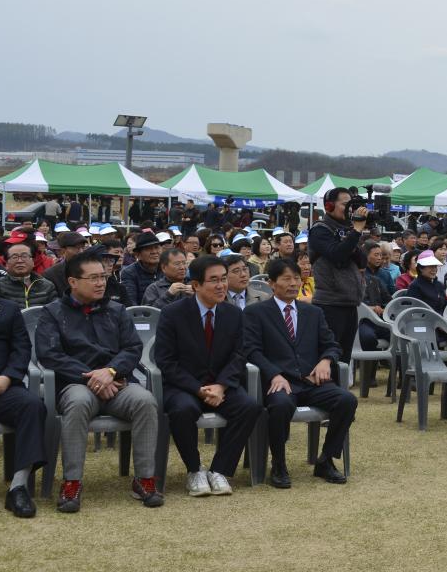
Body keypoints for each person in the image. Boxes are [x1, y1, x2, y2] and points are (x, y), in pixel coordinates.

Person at [35, 249, 162, 512]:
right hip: (75, 385)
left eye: (103, 277)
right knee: (79, 403)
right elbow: (50, 355)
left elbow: (132, 348)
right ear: (73, 282)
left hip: (117, 384)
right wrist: (94, 377)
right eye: (93, 278)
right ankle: (71, 482)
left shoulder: (117, 310)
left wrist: (111, 372)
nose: (101, 283)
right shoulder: (52, 312)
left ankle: (144, 479)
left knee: (145, 401)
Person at [243, 258, 358, 488]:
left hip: (312, 381)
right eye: (286, 279)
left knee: (346, 400)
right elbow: (251, 351)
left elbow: (332, 344)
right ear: (272, 283)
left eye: (296, 278)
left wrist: (326, 360)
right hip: (280, 381)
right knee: (280, 405)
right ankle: (279, 464)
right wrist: (274, 374)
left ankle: (325, 460)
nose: (293, 283)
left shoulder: (313, 312)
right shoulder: (256, 312)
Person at [154, 255, 262, 496]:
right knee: (183, 410)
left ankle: (219, 470)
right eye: (213, 280)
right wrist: (197, 389)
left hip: (221, 385)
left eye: (223, 279)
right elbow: (165, 361)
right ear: (196, 285)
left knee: (248, 406)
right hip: (184, 386)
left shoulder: (233, 314)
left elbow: (239, 355)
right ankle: (194, 469)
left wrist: (222, 386)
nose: (221, 285)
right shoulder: (173, 314)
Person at [0, 246, 46, 517]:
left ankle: (18, 488)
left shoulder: (9, 309)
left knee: (32, 406)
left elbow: (21, 350)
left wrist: (8, 377)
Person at [309, 187, 367, 364]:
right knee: (329, 357)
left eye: (352, 204)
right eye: (345, 204)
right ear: (329, 205)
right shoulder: (320, 230)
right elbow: (337, 255)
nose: (350, 209)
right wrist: (355, 231)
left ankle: (341, 391)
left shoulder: (347, 230)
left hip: (349, 302)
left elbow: (362, 261)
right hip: (330, 303)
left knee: (344, 359)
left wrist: (354, 232)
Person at [0, 239, 58, 308]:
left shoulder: (47, 286)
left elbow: (55, 312)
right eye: (14, 257)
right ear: (6, 264)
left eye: (24, 256)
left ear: (33, 261)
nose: (20, 261)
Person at [120, 231, 162, 310]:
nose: (154, 252)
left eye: (157, 247)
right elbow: (131, 304)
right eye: (148, 249)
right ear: (138, 254)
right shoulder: (129, 272)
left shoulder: (167, 268)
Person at [41, 231, 89, 298]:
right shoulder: (51, 274)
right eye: (76, 248)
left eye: (83, 248)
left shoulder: (90, 270)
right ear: (63, 250)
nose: (81, 252)